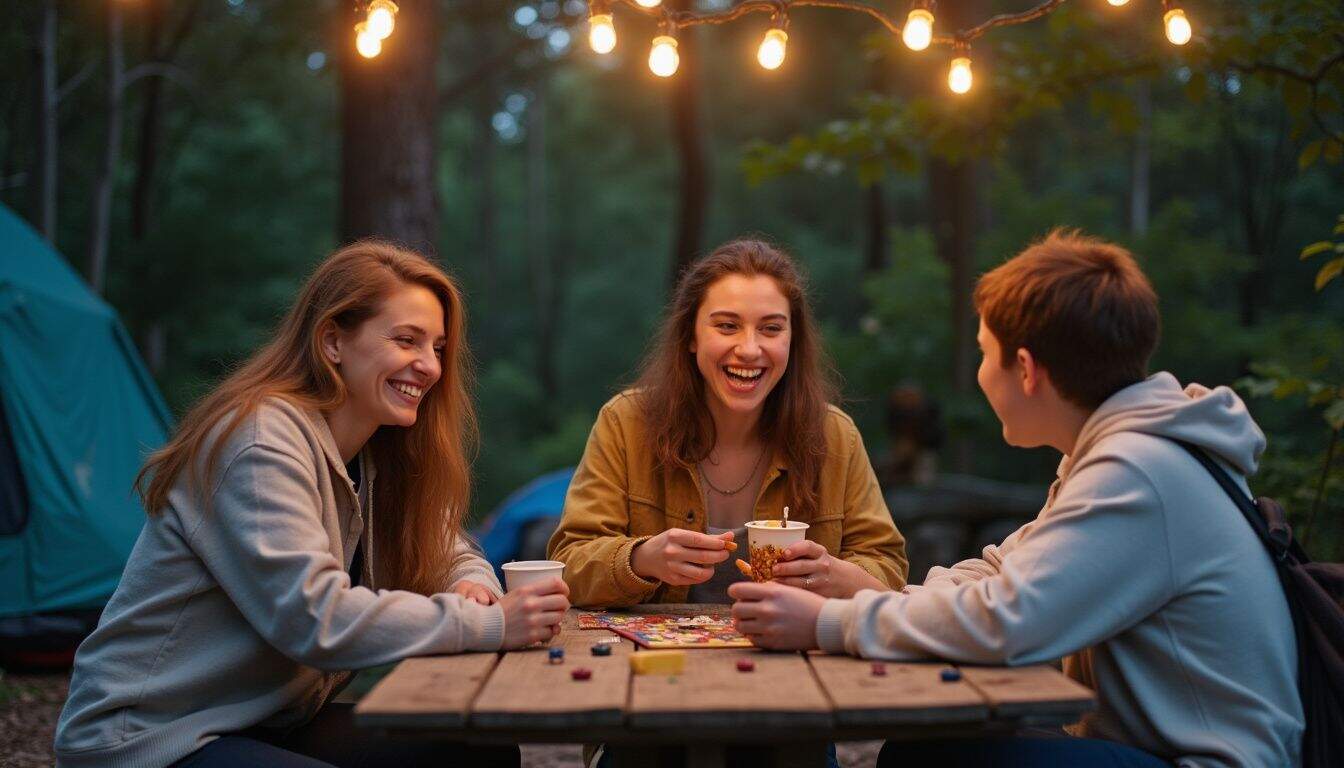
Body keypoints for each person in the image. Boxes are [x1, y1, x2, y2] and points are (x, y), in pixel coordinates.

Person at [729, 230, 1304, 767]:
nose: (981, 372)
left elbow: (1005, 623)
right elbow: (1004, 571)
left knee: (934, 755)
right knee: (933, 744)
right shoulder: (1121, 454)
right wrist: (865, 591)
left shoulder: (1142, 471)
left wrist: (830, 621)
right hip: (1150, 750)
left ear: (1025, 369)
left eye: (984, 351)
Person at [54, 242, 569, 768]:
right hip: (151, 736)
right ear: (332, 342)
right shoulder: (260, 442)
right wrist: (484, 624)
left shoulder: (377, 451)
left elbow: (450, 548)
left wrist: (476, 589)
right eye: (406, 341)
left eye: (437, 347)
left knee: (473, 751)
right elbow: (312, 617)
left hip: (264, 717)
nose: (429, 366)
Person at [548, 238, 907, 608]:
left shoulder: (835, 435)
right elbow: (569, 563)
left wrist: (835, 575)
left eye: (771, 329)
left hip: (799, 658)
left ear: (792, 340)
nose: (749, 349)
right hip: (647, 660)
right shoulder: (625, 423)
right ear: (691, 336)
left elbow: (889, 569)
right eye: (727, 326)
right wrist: (641, 559)